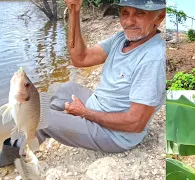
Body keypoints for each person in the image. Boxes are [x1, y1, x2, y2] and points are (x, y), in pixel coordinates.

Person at [0, 0, 166, 167]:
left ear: (160, 17)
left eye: (140, 13)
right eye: (125, 13)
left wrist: (85, 113)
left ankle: (11, 155)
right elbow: (81, 58)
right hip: (99, 107)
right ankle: (30, 137)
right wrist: (74, 11)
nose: (129, 22)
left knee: (44, 119)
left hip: (115, 135)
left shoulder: (152, 58)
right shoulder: (121, 39)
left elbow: (135, 124)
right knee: (64, 89)